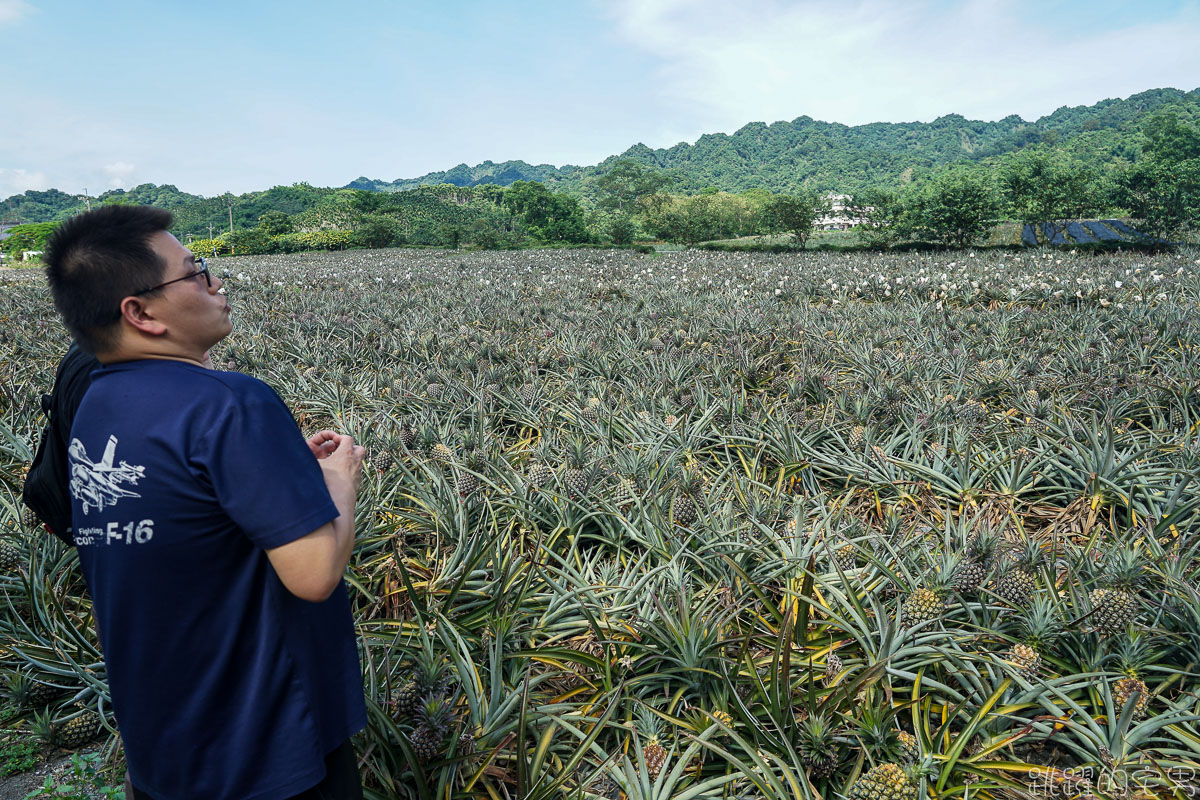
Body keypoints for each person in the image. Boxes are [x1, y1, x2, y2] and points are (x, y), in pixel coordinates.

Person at [43, 205, 367, 800]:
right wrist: (339, 479)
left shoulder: (97, 405)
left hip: (164, 740)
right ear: (140, 313)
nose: (216, 283)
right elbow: (314, 574)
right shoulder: (230, 402)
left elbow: (180, 501)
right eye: (194, 273)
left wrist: (272, 463)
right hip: (266, 744)